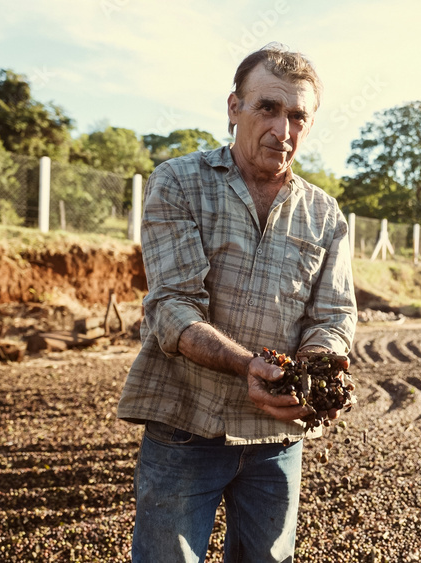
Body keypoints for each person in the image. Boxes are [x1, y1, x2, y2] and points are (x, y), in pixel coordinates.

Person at [117, 43, 357, 562]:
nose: (282, 129)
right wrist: (247, 365)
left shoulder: (324, 212)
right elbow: (174, 307)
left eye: (298, 116)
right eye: (267, 108)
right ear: (234, 108)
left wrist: (319, 369)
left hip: (278, 434)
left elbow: (333, 315)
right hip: (186, 423)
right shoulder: (179, 182)